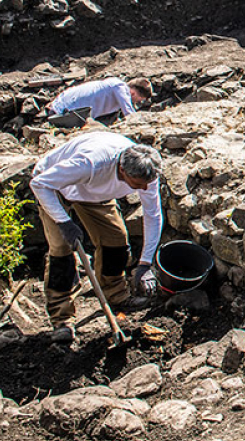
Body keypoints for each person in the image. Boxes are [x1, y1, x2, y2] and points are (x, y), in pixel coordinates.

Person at [29, 132, 163, 343]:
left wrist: (145, 264)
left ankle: (116, 294)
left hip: (95, 193)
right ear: (121, 170)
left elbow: (153, 214)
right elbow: (39, 184)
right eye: (136, 185)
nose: (144, 189)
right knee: (62, 251)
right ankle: (62, 318)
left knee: (116, 241)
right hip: (55, 189)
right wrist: (64, 222)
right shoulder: (90, 164)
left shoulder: (147, 173)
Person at [47, 77, 153, 128]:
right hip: (61, 113)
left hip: (59, 108)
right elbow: (130, 115)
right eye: (138, 100)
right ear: (133, 93)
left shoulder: (113, 85)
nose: (136, 103)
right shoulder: (119, 87)